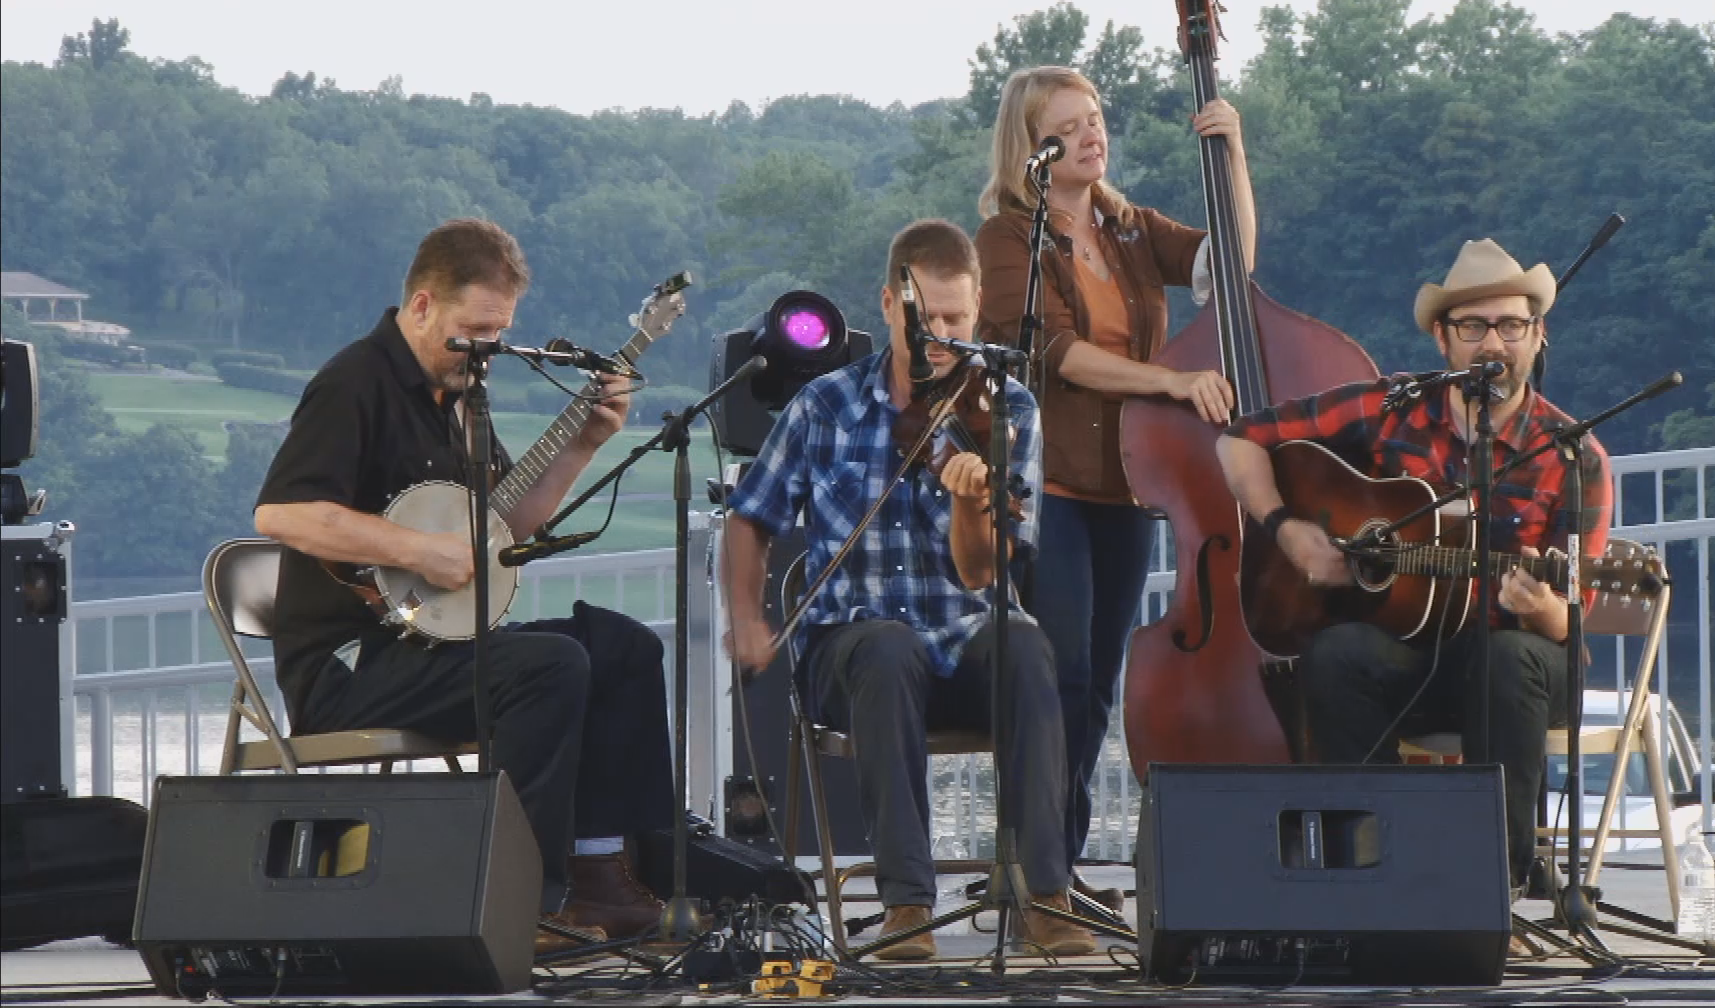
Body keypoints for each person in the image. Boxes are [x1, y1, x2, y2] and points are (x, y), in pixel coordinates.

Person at [253, 218, 675, 953]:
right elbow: (282, 513)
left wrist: (585, 442)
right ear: (421, 306)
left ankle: (604, 872)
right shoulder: (355, 382)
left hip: (435, 646)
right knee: (548, 666)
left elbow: (507, 530)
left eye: (500, 335)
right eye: (474, 332)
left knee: (622, 647)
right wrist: (415, 547)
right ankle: (525, 901)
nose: (488, 352)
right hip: (350, 664)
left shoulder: (462, 399)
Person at [721, 218, 1097, 961]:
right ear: (890, 303)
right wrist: (746, 616)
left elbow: (984, 574)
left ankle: (1043, 893)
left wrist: (968, 500)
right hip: (853, 646)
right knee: (888, 649)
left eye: (959, 319)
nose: (945, 336)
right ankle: (905, 905)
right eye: (929, 318)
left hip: (964, 637)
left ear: (979, 307)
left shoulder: (1007, 409)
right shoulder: (824, 404)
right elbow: (750, 519)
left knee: (1024, 643)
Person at [1214, 238, 1614, 897]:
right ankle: (1365, 876)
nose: (1494, 344)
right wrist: (1289, 533)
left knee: (1505, 656)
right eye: (1474, 326)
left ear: (1538, 337)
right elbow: (1239, 441)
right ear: (1442, 338)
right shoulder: (1392, 407)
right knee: (1338, 651)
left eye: (1512, 325)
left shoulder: (1574, 456)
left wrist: (1540, 604)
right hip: (1409, 648)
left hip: (1521, 664)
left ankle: (1497, 885)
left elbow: (1570, 622)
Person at [973, 65, 1255, 896]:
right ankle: (1036, 865)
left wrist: (1232, 155)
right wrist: (1169, 380)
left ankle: (1055, 860)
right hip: (1052, 483)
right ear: (1033, 147)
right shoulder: (1007, 239)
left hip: (1129, 485)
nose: (1095, 134)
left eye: (1097, 119)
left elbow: (1225, 263)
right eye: (1072, 126)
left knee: (1097, 679)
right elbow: (1057, 353)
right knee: (1055, 670)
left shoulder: (1128, 226)